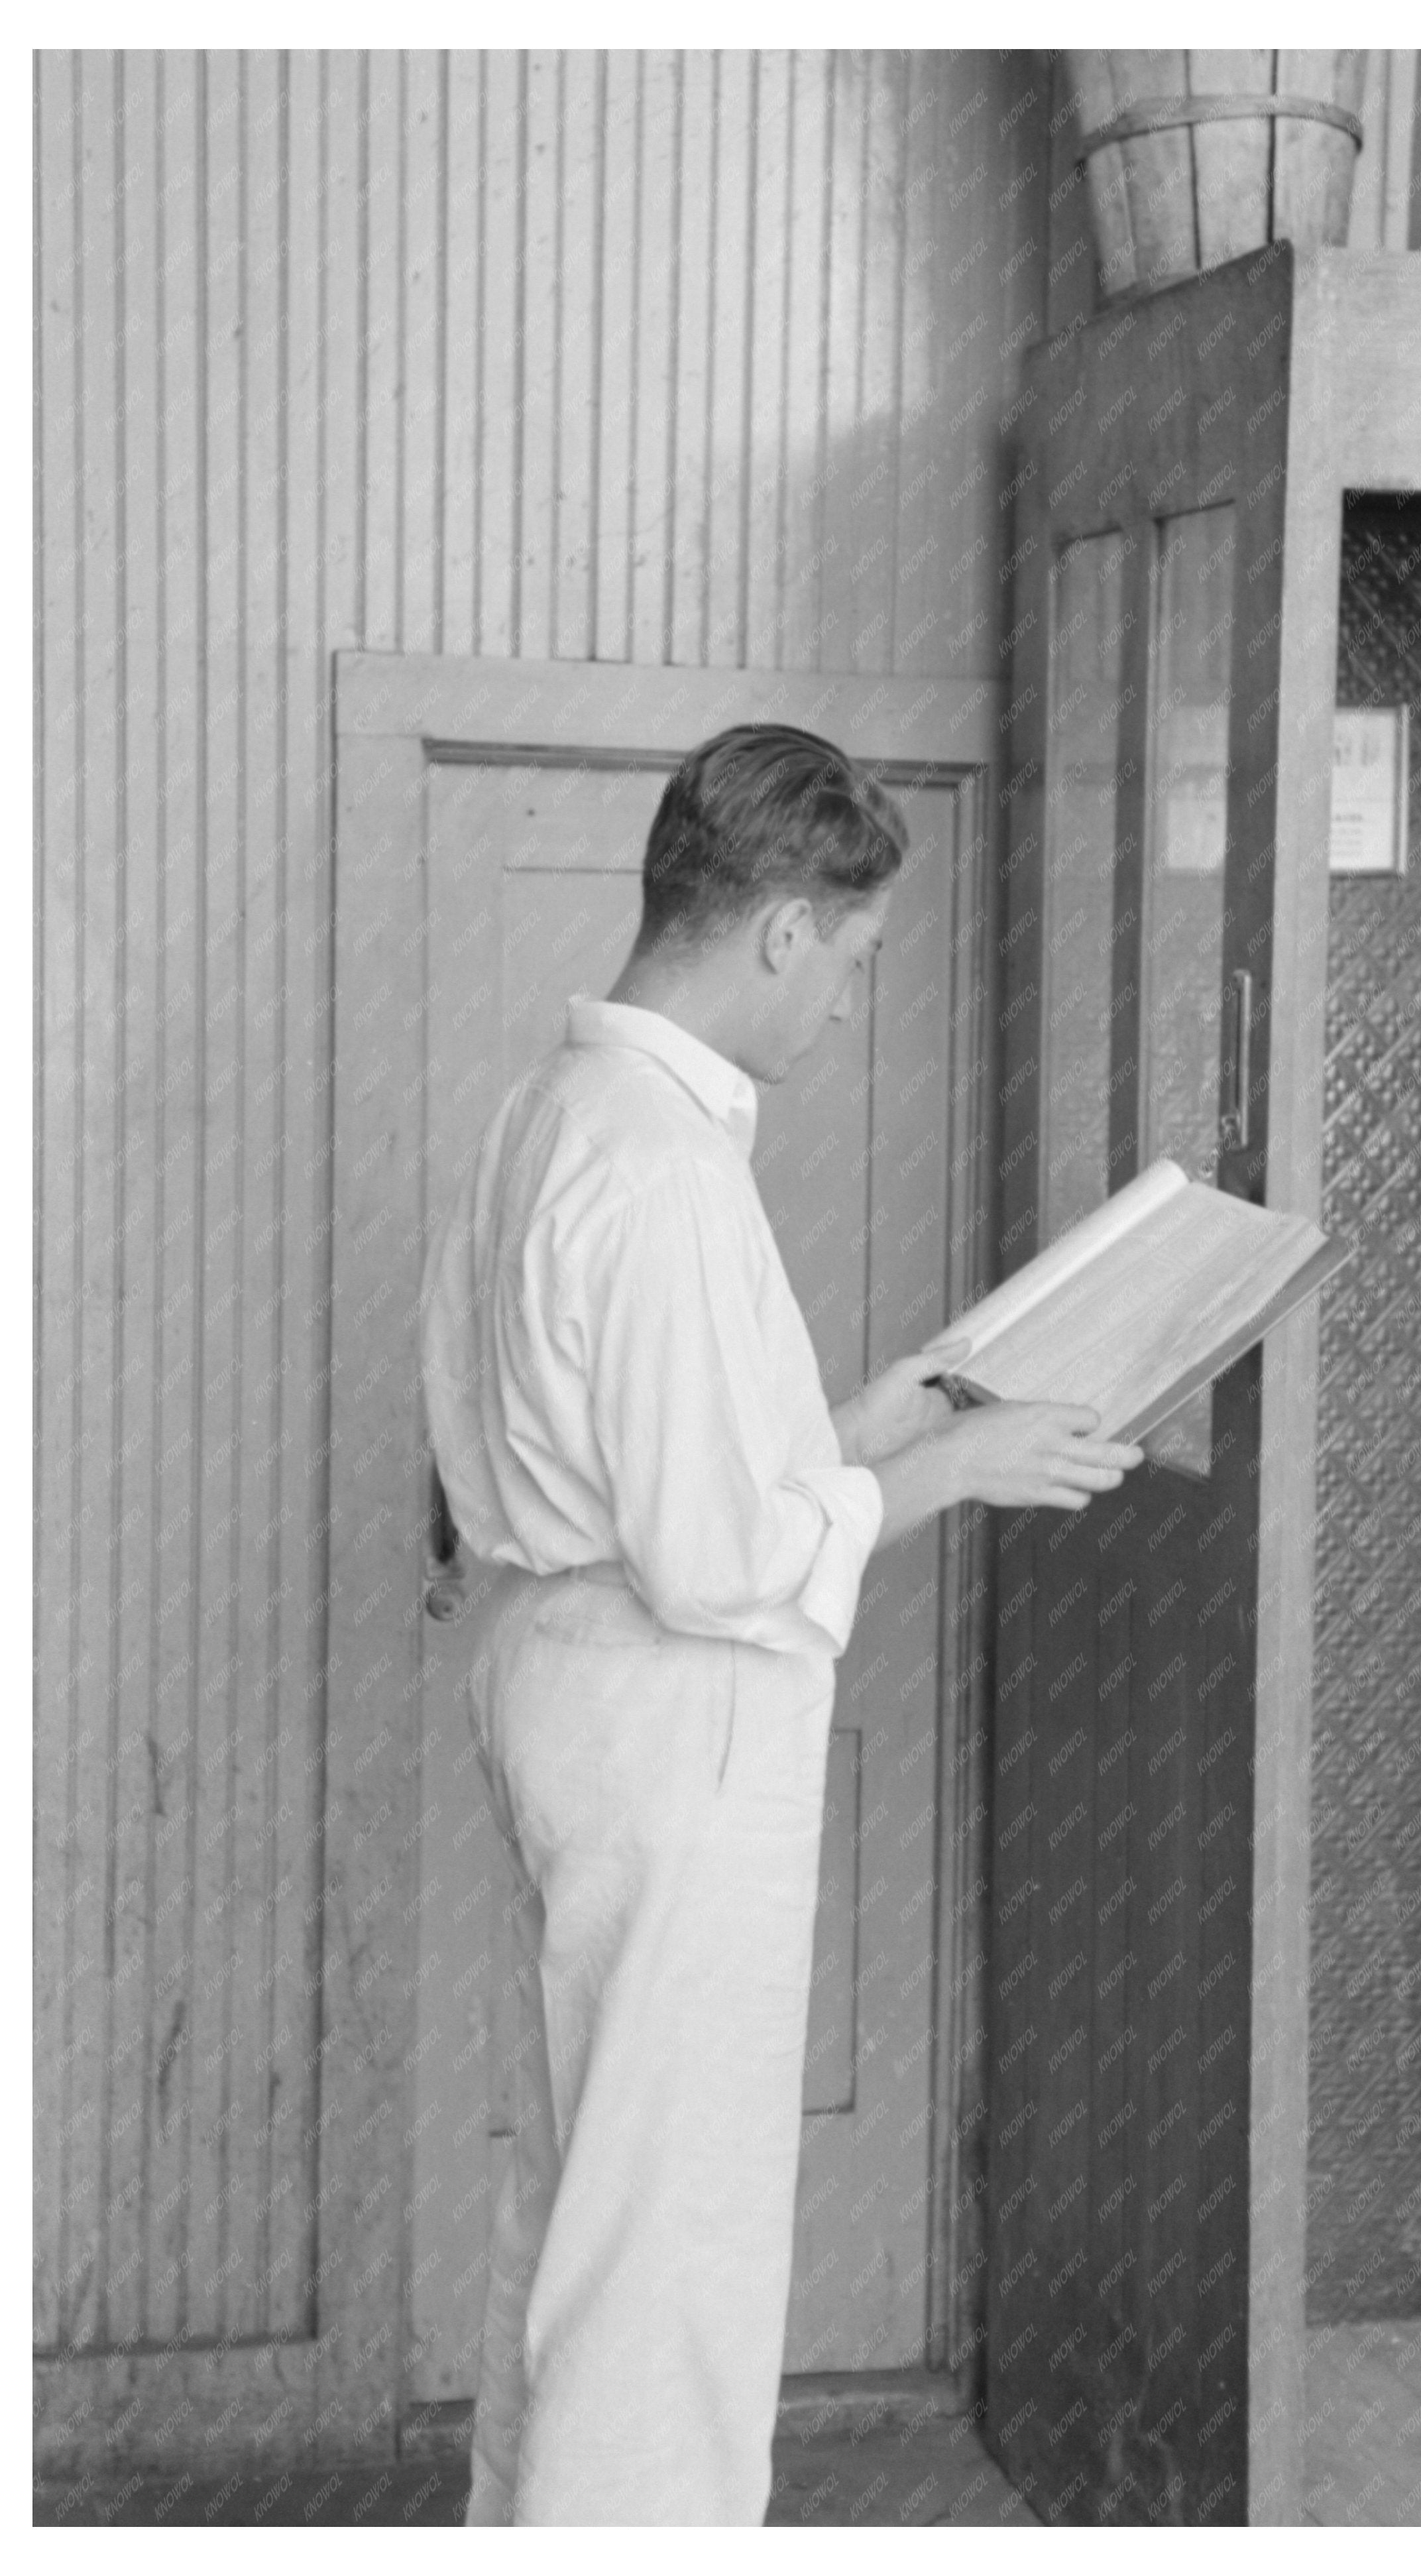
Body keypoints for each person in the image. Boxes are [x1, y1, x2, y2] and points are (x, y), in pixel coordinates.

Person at [419, 723, 1141, 2525]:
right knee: (667, 2260)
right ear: (780, 931)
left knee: (581, 2210)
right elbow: (721, 1556)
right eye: (855, 960)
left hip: (565, 1674)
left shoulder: (555, 1116)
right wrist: (960, 1480)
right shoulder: (661, 1165)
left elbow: (661, 1474)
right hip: (668, 1723)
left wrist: (900, 1409)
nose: (844, 1007)